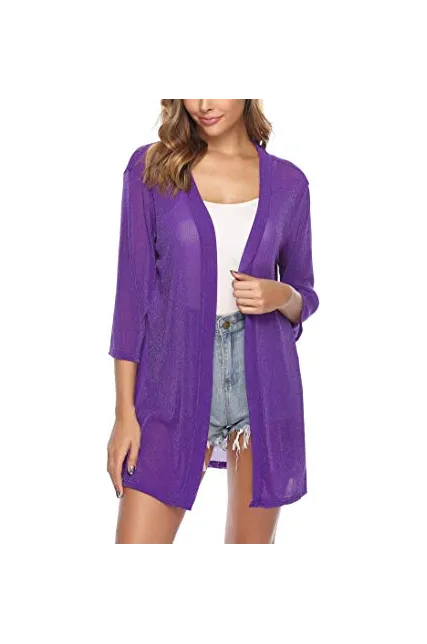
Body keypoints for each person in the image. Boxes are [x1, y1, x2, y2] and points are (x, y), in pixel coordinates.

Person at [107, 97, 320, 544]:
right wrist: (124, 413)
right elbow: (131, 300)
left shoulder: (289, 183)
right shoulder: (152, 170)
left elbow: (304, 293)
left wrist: (280, 295)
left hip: (263, 387)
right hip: (172, 386)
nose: (204, 103)